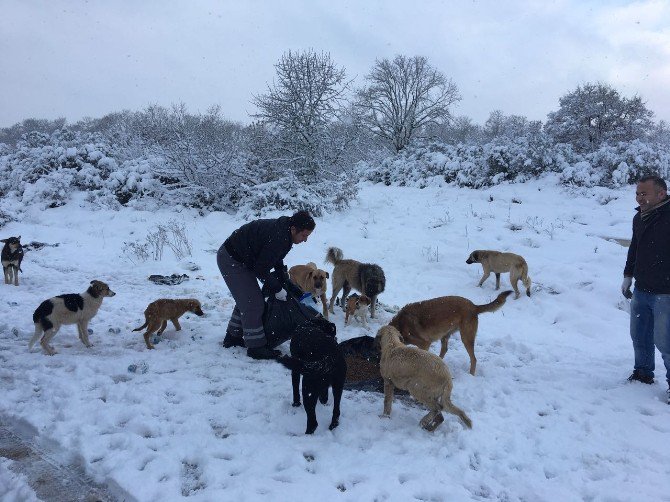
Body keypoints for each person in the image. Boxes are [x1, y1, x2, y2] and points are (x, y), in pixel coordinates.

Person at [217, 210, 315, 360]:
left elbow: (275, 256)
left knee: (248, 297)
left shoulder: (285, 231)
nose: (305, 240)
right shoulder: (280, 236)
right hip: (232, 260)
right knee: (253, 303)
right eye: (304, 235)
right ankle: (256, 347)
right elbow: (260, 269)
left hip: (245, 259)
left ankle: (233, 337)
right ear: (294, 229)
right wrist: (277, 289)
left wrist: (282, 277)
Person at [622, 174, 670, 403]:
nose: (640, 198)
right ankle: (643, 373)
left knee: (665, 340)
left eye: (645, 193)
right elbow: (635, 248)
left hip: (666, 292)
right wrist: (627, 275)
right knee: (639, 335)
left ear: (661, 194)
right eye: (638, 193)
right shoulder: (639, 217)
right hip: (642, 288)